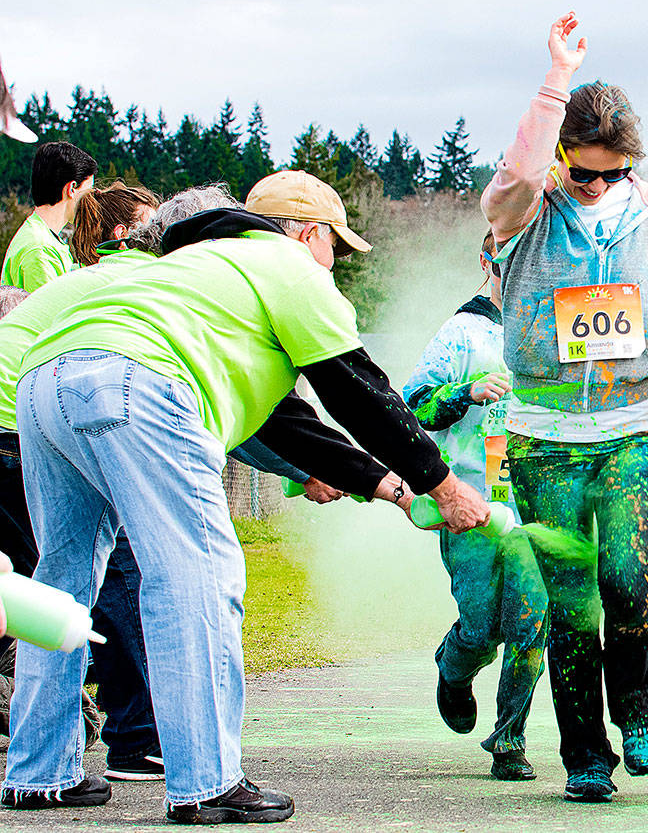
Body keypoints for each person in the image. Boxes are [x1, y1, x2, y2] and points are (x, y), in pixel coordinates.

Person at [1, 170, 489, 824]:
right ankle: (204, 780)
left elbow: (280, 421)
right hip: (135, 376)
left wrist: (391, 488)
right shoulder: (288, 267)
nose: (334, 266)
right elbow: (358, 392)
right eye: (335, 250)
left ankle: (37, 772)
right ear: (307, 233)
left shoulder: (200, 264)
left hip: (42, 382)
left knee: (60, 575)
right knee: (196, 572)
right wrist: (444, 485)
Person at [481, 12, 648, 803]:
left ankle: (637, 707)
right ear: (562, 156)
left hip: (631, 428)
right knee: (570, 603)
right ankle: (584, 753)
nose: (597, 187)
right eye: (584, 171)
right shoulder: (523, 208)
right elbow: (523, 175)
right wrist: (556, 80)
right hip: (544, 434)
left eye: (613, 173)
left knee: (628, 579)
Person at [403, 231, 548, 782]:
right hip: (467, 505)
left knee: (534, 619)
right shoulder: (461, 333)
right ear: (488, 259)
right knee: (484, 624)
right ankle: (455, 664)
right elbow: (413, 405)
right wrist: (466, 390)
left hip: (535, 505)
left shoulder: (553, 325)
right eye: (512, 258)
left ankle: (510, 736)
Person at [1, 142, 96, 291]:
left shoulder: (41, 235)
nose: (90, 201)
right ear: (71, 189)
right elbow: (50, 312)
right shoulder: (40, 249)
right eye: (88, 192)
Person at [69, 180, 158, 266]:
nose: (158, 231)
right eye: (151, 225)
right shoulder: (142, 274)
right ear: (122, 234)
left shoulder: (72, 271)